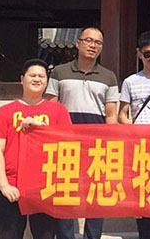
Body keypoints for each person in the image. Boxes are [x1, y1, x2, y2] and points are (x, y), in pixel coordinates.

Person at [46, 26, 119, 239]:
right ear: (78, 43)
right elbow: (51, 108)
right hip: (65, 143)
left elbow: (111, 116)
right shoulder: (59, 72)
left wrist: (113, 145)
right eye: (88, 40)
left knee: (95, 195)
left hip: (97, 144)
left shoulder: (109, 77)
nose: (92, 45)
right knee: (65, 193)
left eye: (98, 42)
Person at [0, 59, 72, 239]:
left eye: (41, 76)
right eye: (32, 75)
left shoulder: (58, 111)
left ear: (47, 81)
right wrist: (4, 185)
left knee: (45, 234)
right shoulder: (5, 111)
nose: (37, 79)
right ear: (22, 79)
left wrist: (41, 127)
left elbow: (67, 144)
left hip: (45, 186)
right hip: (12, 184)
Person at [118, 31, 150, 239]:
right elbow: (122, 114)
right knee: (142, 194)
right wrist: (133, 129)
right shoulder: (130, 82)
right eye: (147, 53)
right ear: (139, 54)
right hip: (140, 146)